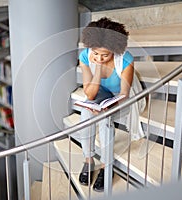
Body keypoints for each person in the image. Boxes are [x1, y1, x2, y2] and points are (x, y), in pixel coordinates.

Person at [77, 17, 135, 192]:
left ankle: (105, 166)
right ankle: (88, 159)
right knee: (86, 114)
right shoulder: (85, 56)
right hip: (100, 93)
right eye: (95, 52)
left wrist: (107, 108)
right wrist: (99, 70)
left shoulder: (126, 60)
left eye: (105, 55)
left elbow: (125, 94)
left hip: (119, 97)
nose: (99, 58)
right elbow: (90, 93)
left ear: (114, 51)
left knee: (105, 119)